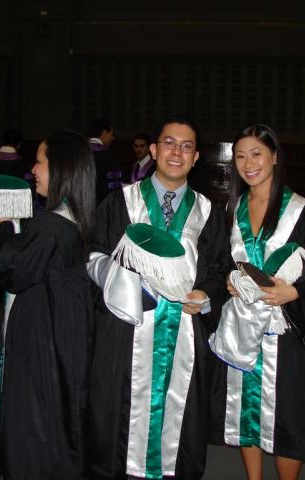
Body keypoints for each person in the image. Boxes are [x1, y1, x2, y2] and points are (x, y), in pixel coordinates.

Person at [87, 115, 229, 479]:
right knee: (118, 422)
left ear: (196, 158)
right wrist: (122, 285)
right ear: (153, 150)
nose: (176, 152)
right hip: (126, 332)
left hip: (185, 335)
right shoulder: (120, 203)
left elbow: (219, 269)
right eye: (169, 143)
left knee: (180, 424)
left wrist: (206, 294)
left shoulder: (208, 213)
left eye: (186, 146)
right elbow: (93, 257)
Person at [208, 124, 305, 480]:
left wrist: (295, 293)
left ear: (274, 157)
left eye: (257, 154)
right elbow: (222, 262)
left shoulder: (299, 211)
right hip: (242, 327)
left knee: (287, 416)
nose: (248, 164)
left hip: (283, 332)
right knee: (246, 411)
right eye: (240, 156)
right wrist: (228, 280)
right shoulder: (232, 208)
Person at [0, 130, 96, 479]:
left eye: (40, 162)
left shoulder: (52, 225)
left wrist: (4, 227)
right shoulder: (76, 220)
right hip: (64, 338)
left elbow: (9, 270)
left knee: (36, 425)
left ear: (61, 168)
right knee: (62, 421)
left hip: (43, 344)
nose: (33, 170)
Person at [88, 118, 121, 203]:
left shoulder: (79, 152)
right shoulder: (107, 155)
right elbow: (114, 187)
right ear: (104, 133)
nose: (112, 138)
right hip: (102, 204)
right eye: (111, 134)